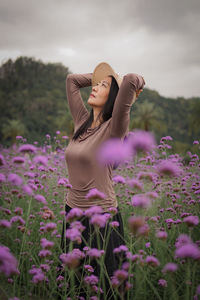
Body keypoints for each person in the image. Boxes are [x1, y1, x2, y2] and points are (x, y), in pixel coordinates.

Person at [58, 62, 145, 299]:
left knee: (104, 291)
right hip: (72, 215)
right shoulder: (81, 123)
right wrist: (101, 79)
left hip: (102, 220)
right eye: (95, 84)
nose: (94, 88)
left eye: (102, 86)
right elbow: (72, 80)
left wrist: (114, 78)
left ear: (114, 97)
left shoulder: (114, 128)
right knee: (72, 289)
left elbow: (134, 79)